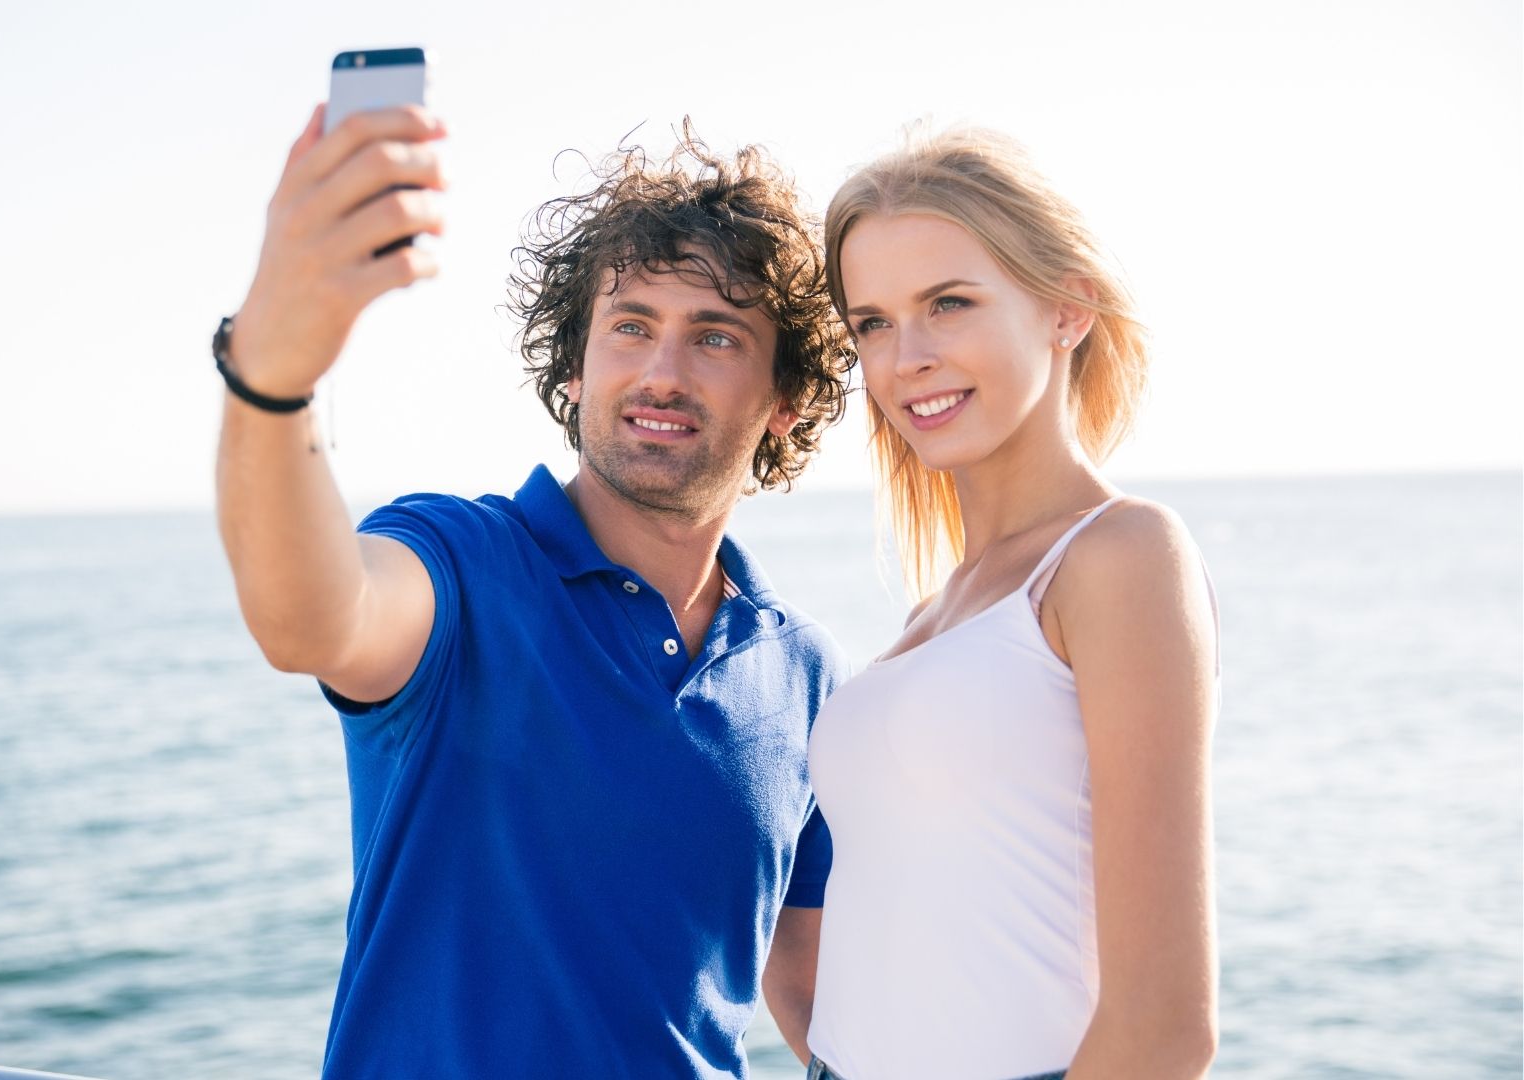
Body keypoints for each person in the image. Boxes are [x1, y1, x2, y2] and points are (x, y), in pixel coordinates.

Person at [213, 104, 856, 1079]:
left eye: (716, 337)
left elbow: (809, 985)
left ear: (783, 401)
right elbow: (313, 617)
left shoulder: (805, 670)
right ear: (575, 363)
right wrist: (271, 376)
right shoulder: (463, 565)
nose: (660, 372)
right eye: (630, 326)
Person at [798, 127, 1220, 1080]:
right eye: (871, 322)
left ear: (1067, 309)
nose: (906, 358)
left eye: (948, 304)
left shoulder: (1118, 557)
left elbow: (1163, 1027)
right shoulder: (934, 611)